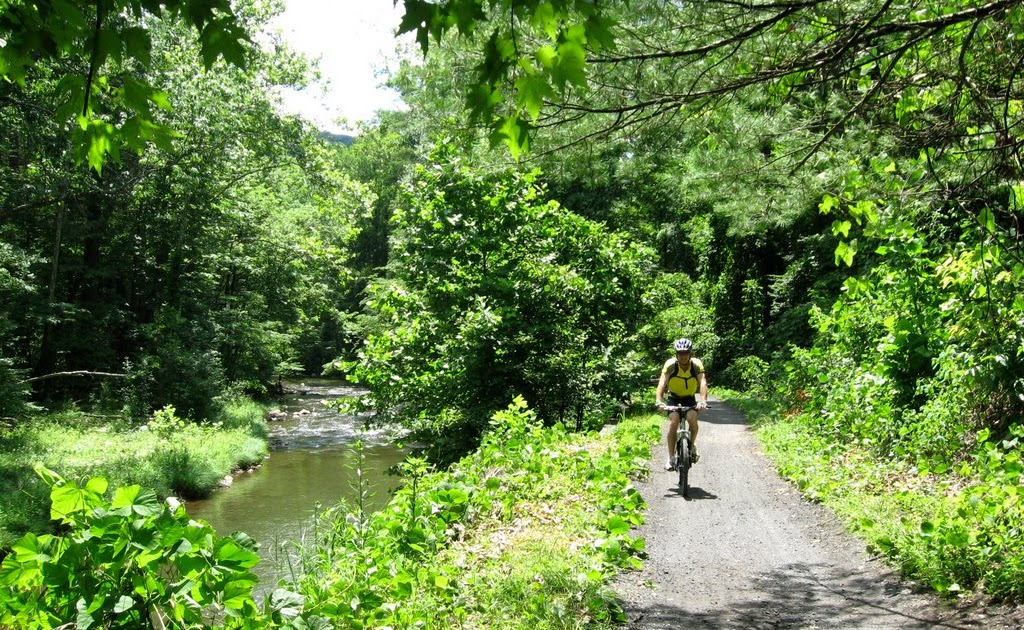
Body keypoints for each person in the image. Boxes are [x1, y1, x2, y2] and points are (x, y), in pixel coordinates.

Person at [655, 338, 708, 470]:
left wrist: (703, 400)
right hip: (674, 398)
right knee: (674, 421)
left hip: (689, 398)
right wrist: (659, 401)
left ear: (690, 353)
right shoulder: (670, 365)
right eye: (680, 353)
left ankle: (692, 445)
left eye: (686, 353)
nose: (683, 356)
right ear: (676, 354)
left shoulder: (696, 365)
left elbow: (702, 382)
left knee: (692, 419)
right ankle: (670, 457)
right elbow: (662, 383)